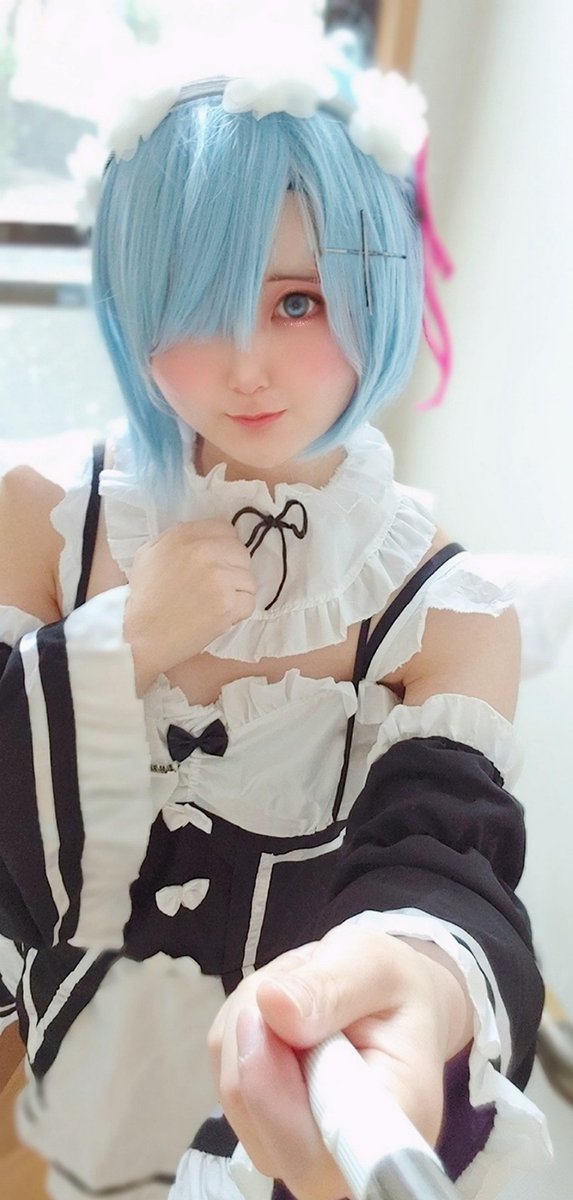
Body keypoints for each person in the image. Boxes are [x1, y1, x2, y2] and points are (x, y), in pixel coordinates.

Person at [0, 50, 550, 1200]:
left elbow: (443, 861)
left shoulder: (444, 609)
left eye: (297, 301)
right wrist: (121, 644)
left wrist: (411, 987)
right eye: (195, 306)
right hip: (74, 1083)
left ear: (375, 284)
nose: (245, 365)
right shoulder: (44, 515)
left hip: (291, 1120)